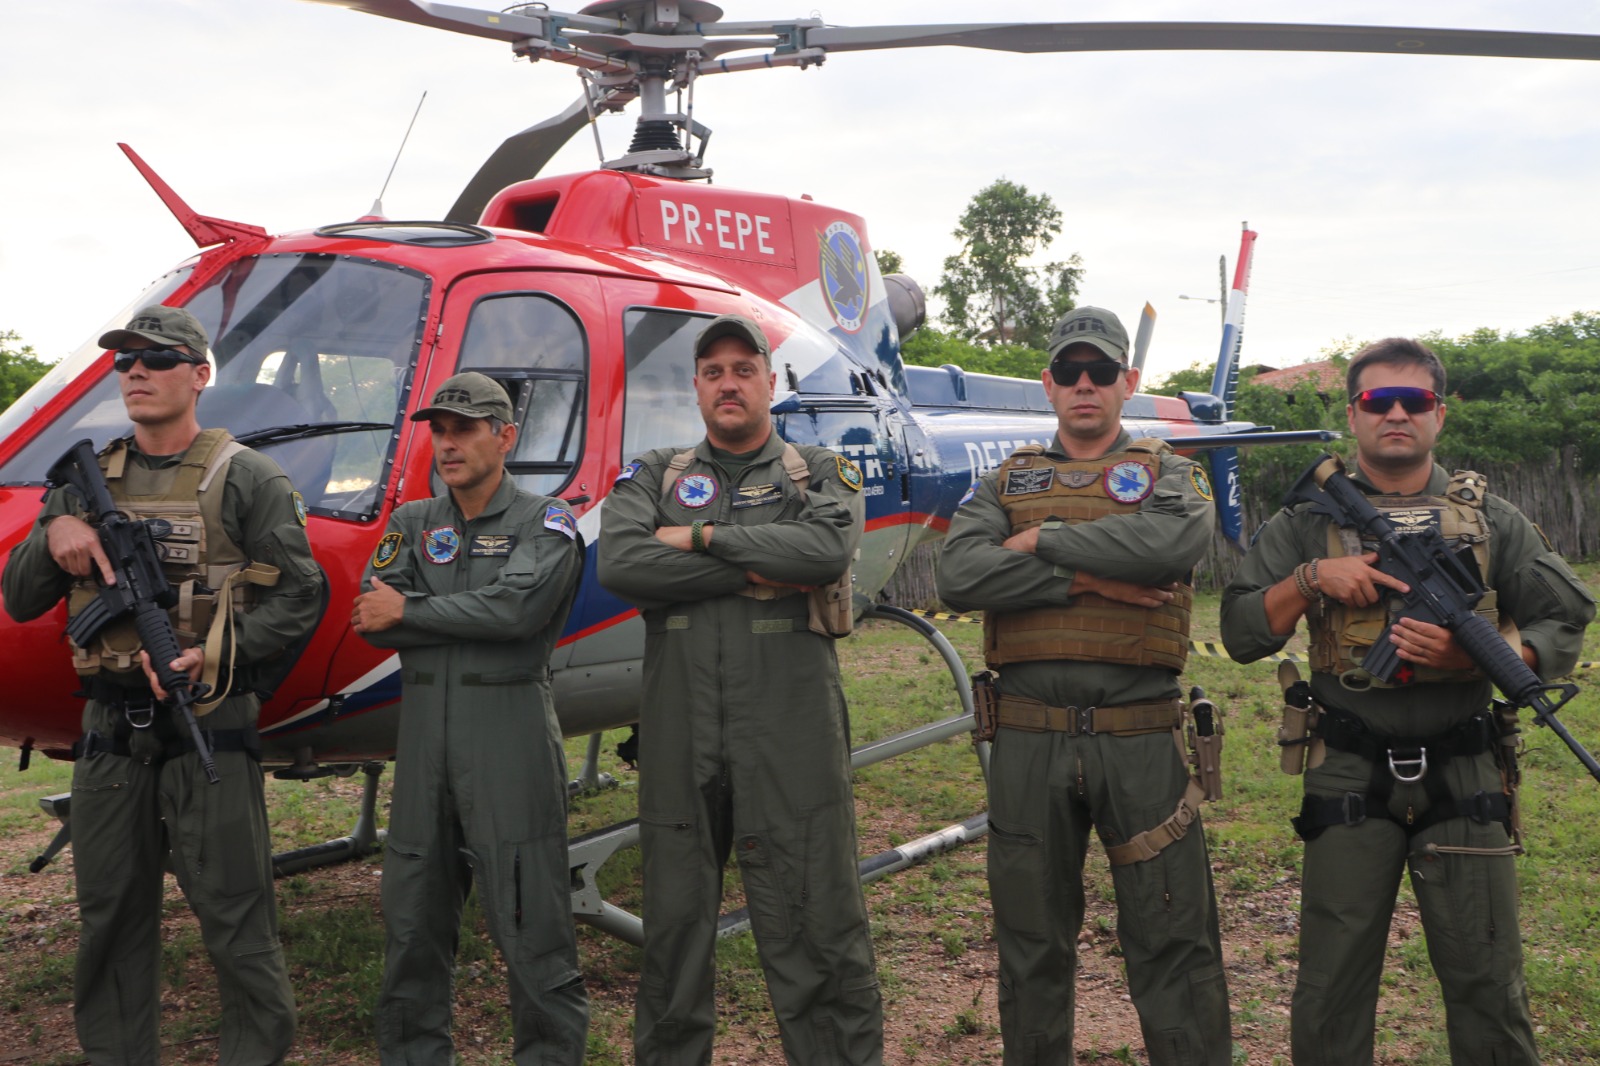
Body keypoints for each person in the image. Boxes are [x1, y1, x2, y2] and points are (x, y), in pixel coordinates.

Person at [1220, 337, 1595, 1065]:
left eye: (1414, 401)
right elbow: (1240, 632)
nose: (1397, 413)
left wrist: (1491, 655)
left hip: (1465, 770)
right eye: (1377, 401)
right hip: (1348, 770)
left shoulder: (1489, 521)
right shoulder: (1306, 523)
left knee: (1489, 979)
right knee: (1330, 985)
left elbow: (1565, 612)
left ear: (1439, 415)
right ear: (1354, 416)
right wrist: (1310, 579)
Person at [2, 304, 326, 1065]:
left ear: (200, 374)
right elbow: (20, 597)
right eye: (124, 361)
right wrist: (54, 534)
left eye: (156, 357)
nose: (136, 371)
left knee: (236, 918)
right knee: (110, 918)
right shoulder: (86, 481)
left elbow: (302, 594)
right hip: (110, 740)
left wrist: (216, 656)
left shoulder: (247, 476)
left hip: (206, 725)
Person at [937, 305, 1232, 1065]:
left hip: (1139, 737)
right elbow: (960, 572)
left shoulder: (1169, 472)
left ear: (1127, 382)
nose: (1085, 384)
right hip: (1029, 737)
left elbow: (1171, 541)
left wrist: (1041, 541)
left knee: (1172, 938)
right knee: (1031, 942)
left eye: (1101, 371)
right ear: (1048, 384)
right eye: (1069, 372)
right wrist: (1083, 576)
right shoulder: (1007, 478)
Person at [597, 314, 882, 1066]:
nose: (728, 382)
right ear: (695, 386)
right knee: (674, 930)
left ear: (769, 381)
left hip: (788, 724)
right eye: (713, 370)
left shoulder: (819, 469)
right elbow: (622, 563)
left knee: (815, 918)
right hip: (681, 725)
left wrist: (696, 537)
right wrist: (762, 564)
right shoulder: (654, 472)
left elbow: (824, 550)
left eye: (743, 368)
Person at [351, 372, 589, 1064]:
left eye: (465, 429)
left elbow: (518, 613)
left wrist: (416, 612)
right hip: (424, 740)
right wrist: (437, 615)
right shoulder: (412, 523)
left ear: (505, 437)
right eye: (439, 430)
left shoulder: (546, 522)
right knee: (413, 921)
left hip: (507, 734)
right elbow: (373, 615)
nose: (447, 444)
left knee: (530, 920)